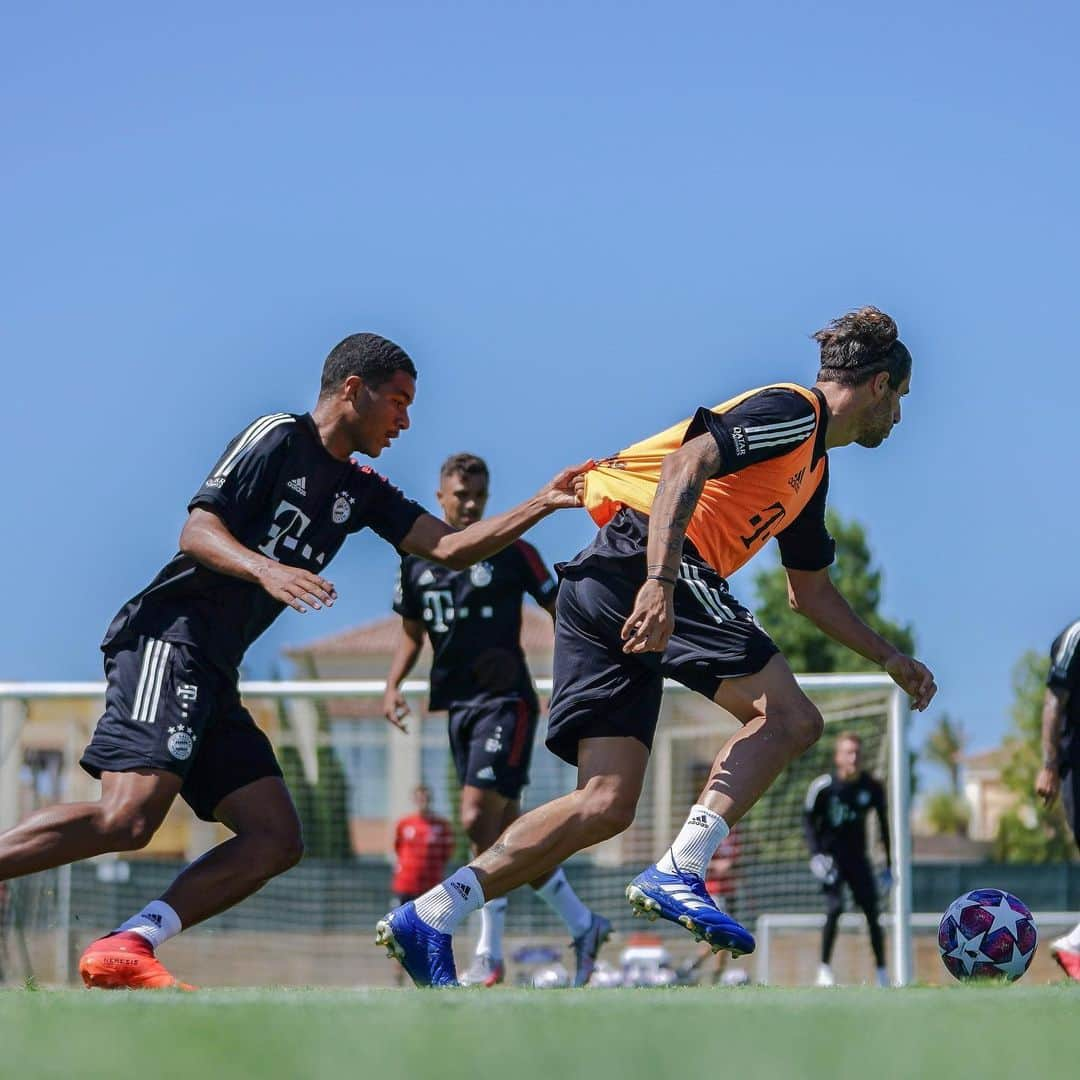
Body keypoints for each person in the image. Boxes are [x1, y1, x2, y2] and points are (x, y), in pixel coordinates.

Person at [0, 332, 584, 990]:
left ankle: (132, 941)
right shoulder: (278, 435)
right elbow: (196, 529)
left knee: (276, 837)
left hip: (215, 669)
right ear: (351, 390)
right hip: (170, 637)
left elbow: (449, 549)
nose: (405, 420)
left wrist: (541, 501)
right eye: (397, 401)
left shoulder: (362, 489)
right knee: (129, 818)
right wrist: (265, 570)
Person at [377, 306, 937, 987]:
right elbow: (684, 466)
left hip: (603, 582)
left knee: (606, 803)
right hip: (643, 566)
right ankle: (683, 868)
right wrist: (660, 583)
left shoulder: (811, 472)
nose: (900, 419)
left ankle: (433, 911)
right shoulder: (795, 411)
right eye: (901, 399)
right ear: (878, 385)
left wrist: (889, 657)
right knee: (792, 718)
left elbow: (809, 592)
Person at [383, 452, 610, 988]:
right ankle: (584, 924)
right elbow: (412, 633)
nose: (469, 504)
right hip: (457, 707)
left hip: (506, 703)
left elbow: (561, 610)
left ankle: (488, 953)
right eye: (460, 495)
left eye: (478, 496)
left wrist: (577, 674)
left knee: (473, 816)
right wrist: (393, 684)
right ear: (440, 497)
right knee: (505, 835)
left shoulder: (511, 551)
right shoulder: (415, 561)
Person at [804, 731, 891, 987]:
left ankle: (882, 973)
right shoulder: (823, 787)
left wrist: (889, 866)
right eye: (848, 752)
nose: (853, 757)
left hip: (858, 859)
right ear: (838, 756)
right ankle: (824, 970)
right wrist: (815, 855)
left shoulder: (871, 787)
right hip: (831, 860)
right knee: (835, 907)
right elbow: (808, 821)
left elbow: (884, 826)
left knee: (872, 912)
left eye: (857, 752)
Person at [1035, 617, 1080, 979]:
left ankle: (1076, 943)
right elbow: (1054, 700)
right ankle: (1075, 944)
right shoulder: (1075, 636)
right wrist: (1049, 765)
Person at [392, 784, 454, 908]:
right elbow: (397, 847)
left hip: (432, 883)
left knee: (429, 921)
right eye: (419, 799)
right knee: (402, 922)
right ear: (413, 800)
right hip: (407, 883)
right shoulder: (404, 823)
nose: (423, 802)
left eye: (425, 798)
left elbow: (447, 852)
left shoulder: (442, 825)